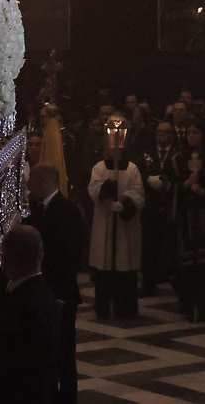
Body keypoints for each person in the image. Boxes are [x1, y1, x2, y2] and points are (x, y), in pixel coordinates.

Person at [0, 225, 61, 404]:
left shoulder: (25, 302)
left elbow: (11, 358)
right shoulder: (42, 294)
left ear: (5, 258)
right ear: (41, 255)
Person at [23, 163, 83, 404]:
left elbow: (69, 256)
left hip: (60, 293)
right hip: (45, 292)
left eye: (32, 181)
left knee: (64, 352)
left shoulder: (66, 211)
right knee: (45, 351)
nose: (28, 186)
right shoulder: (36, 209)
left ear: (44, 182)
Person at [86, 116, 144, 319]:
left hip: (125, 225)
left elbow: (138, 192)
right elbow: (93, 189)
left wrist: (126, 203)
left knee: (124, 263)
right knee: (106, 264)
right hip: (105, 220)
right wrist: (108, 188)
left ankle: (125, 309)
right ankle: (104, 308)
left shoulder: (132, 168)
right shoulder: (99, 168)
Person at [169, 123, 205, 322]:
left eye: (195, 132)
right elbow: (170, 187)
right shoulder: (178, 160)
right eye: (188, 133)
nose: (191, 136)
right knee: (189, 266)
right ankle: (189, 304)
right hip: (187, 218)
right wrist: (186, 184)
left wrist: (204, 191)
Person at [136, 120, 177, 296]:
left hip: (170, 204)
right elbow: (138, 169)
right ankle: (148, 281)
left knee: (170, 243)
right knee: (149, 244)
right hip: (150, 203)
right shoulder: (147, 152)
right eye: (159, 131)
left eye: (166, 132)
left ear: (172, 135)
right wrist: (148, 178)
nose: (162, 134)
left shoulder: (177, 153)